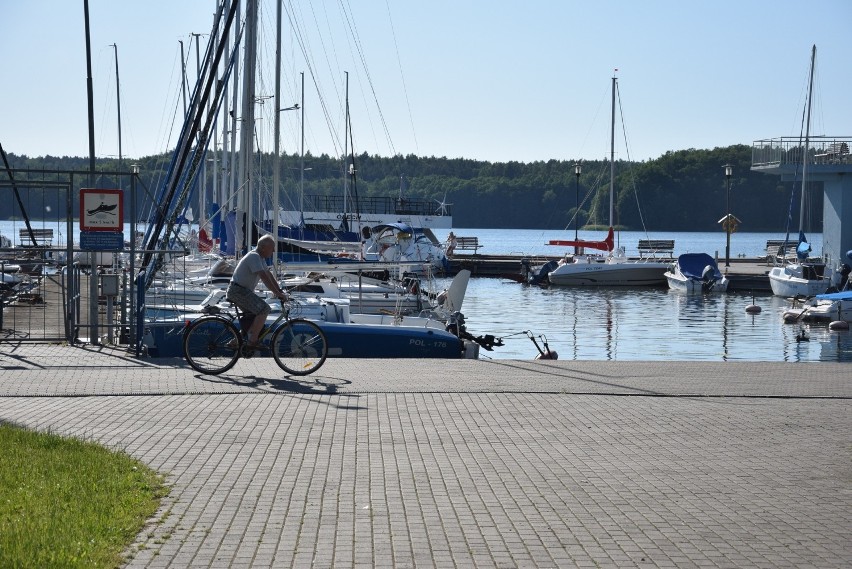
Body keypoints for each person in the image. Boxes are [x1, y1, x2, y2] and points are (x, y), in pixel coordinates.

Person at [226, 235, 289, 348]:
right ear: (264, 247)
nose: (274, 250)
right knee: (264, 309)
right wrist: (278, 294)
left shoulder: (260, 258)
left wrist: (279, 290)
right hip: (238, 291)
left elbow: (269, 275)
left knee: (253, 317)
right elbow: (264, 277)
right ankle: (253, 340)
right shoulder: (254, 256)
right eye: (272, 248)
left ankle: (236, 341)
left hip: (242, 291)